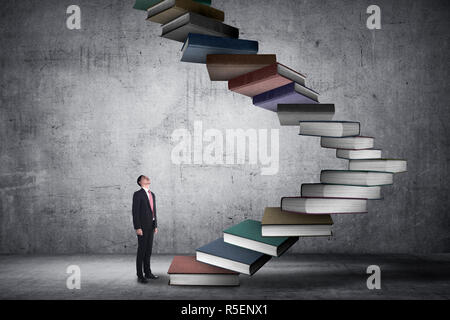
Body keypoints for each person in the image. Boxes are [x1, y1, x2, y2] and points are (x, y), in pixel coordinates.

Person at [132, 175, 159, 284]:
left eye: (148, 177)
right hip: (142, 227)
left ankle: (148, 272)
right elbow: (135, 212)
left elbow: (154, 212)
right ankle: (140, 275)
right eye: (145, 178)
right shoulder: (138, 194)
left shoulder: (152, 194)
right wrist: (137, 227)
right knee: (142, 251)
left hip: (151, 226)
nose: (148, 178)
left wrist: (155, 225)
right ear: (140, 182)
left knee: (148, 251)